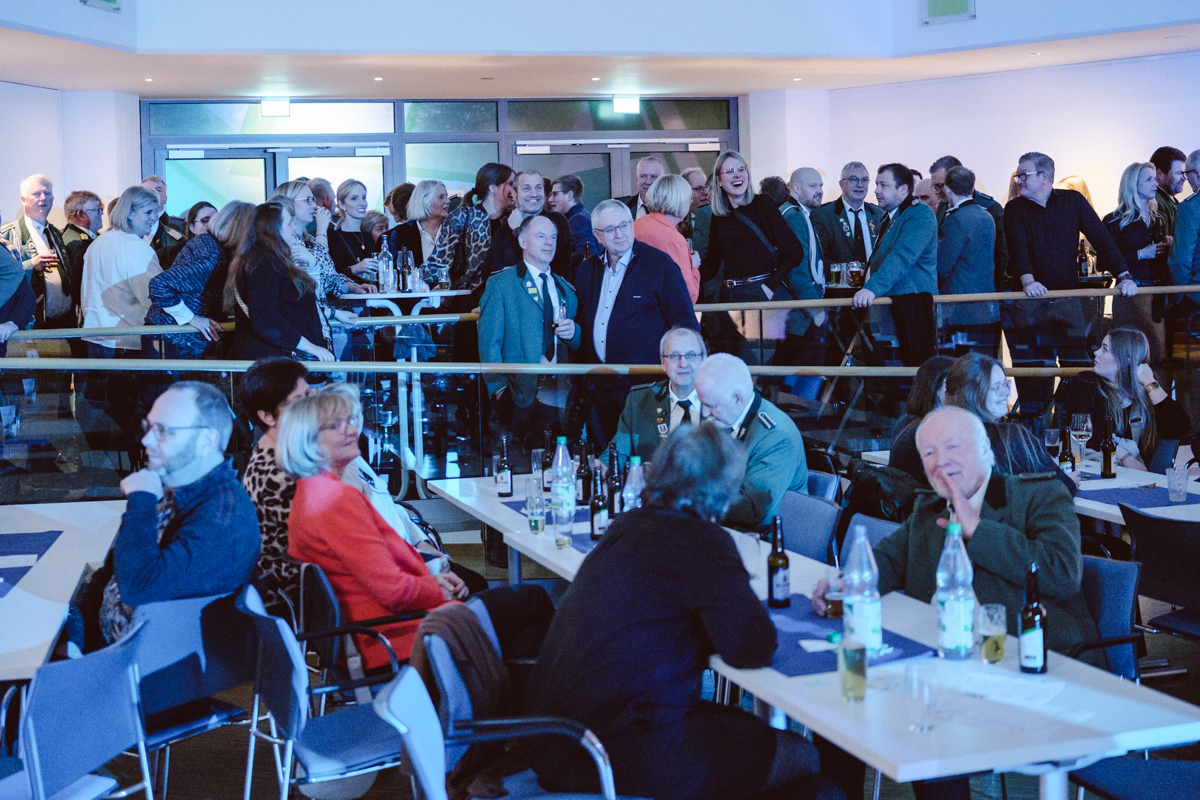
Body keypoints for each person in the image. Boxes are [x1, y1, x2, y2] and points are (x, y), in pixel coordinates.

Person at [525, 423, 829, 800]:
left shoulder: (627, 525)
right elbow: (750, 648)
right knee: (802, 756)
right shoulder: (703, 541)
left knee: (743, 728)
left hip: (557, 736)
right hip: (617, 748)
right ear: (723, 488)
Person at [813, 405, 1100, 800]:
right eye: (929, 453)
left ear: (985, 451)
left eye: (952, 447)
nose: (940, 461)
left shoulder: (1038, 495)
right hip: (941, 661)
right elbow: (889, 561)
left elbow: (1062, 572)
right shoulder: (928, 508)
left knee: (929, 727)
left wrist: (976, 528)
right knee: (840, 709)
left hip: (1023, 664)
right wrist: (846, 584)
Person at [280, 387, 554, 669]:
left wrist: (433, 580)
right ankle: (493, 689)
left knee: (522, 613)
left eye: (350, 420)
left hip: (389, 629)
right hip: (401, 637)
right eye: (336, 425)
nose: (351, 430)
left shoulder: (309, 492)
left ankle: (495, 689)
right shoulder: (336, 500)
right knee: (533, 601)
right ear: (309, 441)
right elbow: (394, 592)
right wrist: (437, 589)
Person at [97, 381, 261, 644]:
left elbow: (138, 587)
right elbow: (116, 568)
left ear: (206, 441)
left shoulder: (222, 522)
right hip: (112, 642)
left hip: (156, 659)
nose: (145, 440)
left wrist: (141, 499)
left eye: (164, 431)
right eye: (149, 426)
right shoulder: (174, 485)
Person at [1004, 151, 1135, 412]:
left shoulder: (1072, 201)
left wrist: (1124, 275)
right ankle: (1035, 429)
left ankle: (1078, 425)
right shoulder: (1015, 208)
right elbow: (1018, 248)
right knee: (1034, 373)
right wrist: (1028, 281)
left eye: (1024, 175)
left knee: (1078, 368)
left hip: (1066, 302)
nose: (1019, 181)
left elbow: (1102, 239)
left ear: (1045, 177)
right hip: (1030, 304)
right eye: (1019, 176)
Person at [574, 199, 699, 444]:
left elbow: (685, 326)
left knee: (645, 454)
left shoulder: (659, 265)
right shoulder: (586, 271)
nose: (619, 234)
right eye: (610, 229)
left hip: (646, 387)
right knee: (608, 457)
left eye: (624, 225)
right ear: (597, 236)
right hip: (600, 387)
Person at [477, 215, 580, 442]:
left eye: (553, 237)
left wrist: (574, 333)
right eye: (541, 236)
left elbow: (577, 339)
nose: (549, 243)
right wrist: (499, 390)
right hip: (518, 391)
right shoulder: (501, 284)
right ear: (523, 241)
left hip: (560, 391)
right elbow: (489, 343)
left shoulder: (565, 289)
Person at [694, 353, 807, 530]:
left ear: (737, 399)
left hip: (764, 536)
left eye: (711, 405)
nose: (705, 413)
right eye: (702, 403)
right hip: (724, 525)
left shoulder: (775, 437)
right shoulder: (726, 418)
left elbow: (753, 509)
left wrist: (691, 499)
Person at [1057, 328, 1189, 471]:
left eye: (1105, 349)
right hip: (1099, 472)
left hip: (1138, 477)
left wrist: (1149, 381)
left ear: (1125, 360)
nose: (1096, 352)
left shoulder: (1147, 394)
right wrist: (1125, 457)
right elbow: (1086, 435)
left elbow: (1178, 428)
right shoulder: (1086, 384)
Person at [226, 200, 334, 362]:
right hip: (273, 361)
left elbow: (289, 308)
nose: (294, 226)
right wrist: (309, 347)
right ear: (273, 229)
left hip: (279, 358)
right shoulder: (262, 263)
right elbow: (266, 318)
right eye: (289, 223)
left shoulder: (268, 259)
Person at [145, 200, 255, 359]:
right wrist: (192, 318)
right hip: (173, 337)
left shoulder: (219, 248)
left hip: (185, 338)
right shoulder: (210, 251)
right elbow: (159, 285)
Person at [700, 150, 803, 309]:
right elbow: (712, 265)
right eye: (729, 171)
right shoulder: (719, 214)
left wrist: (770, 285)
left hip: (760, 292)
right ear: (719, 180)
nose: (737, 175)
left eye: (741, 169)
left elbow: (794, 251)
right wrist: (685, 275)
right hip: (730, 295)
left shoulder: (762, 204)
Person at [81, 185, 162, 357]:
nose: (154, 218)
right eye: (148, 212)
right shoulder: (135, 246)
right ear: (129, 213)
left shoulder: (97, 242)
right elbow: (156, 296)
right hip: (127, 340)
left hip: (95, 337)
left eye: (156, 212)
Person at [1103, 162, 1170, 366]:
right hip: (1130, 295)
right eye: (1149, 179)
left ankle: (1154, 389)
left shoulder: (1158, 219)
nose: (1155, 183)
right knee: (1128, 356)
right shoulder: (1114, 220)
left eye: (1155, 179)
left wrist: (1170, 246)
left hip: (1157, 295)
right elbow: (1105, 262)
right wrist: (1140, 254)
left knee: (1156, 355)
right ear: (1132, 183)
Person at [614, 326, 705, 464]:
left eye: (691, 355)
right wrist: (600, 466)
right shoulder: (639, 400)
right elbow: (617, 454)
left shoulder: (722, 401)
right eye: (674, 356)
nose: (683, 364)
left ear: (703, 359)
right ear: (663, 363)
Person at [936, 166, 998, 354]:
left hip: (960, 307)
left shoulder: (955, 220)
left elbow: (942, 265)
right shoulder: (987, 216)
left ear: (947, 189)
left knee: (959, 363)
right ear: (972, 187)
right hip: (986, 305)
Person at [0, 174, 74, 330]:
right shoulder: (8, 234)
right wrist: (30, 265)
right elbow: (5, 278)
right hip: (30, 321)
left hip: (62, 320)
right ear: (23, 200)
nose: (43, 198)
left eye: (47, 193)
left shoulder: (55, 232)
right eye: (36, 194)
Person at [775, 167, 828, 383]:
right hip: (798, 313)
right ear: (796, 188)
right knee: (802, 371)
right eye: (813, 186)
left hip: (794, 311)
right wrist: (815, 309)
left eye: (820, 185)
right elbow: (797, 269)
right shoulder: (794, 217)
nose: (820, 191)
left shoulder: (795, 213)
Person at [929, 155, 1008, 290]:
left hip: (961, 291)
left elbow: (1001, 255)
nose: (937, 192)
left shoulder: (990, 208)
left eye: (940, 186)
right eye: (934, 187)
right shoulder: (944, 206)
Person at [487, 170, 574, 283]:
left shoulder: (557, 221)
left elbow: (538, 263)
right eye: (526, 188)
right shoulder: (504, 229)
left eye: (538, 188)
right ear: (514, 193)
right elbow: (491, 271)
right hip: (512, 293)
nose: (534, 194)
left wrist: (518, 230)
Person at [632, 174, 701, 302]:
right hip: (658, 311)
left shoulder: (636, 225)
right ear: (681, 202)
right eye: (689, 201)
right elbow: (687, 295)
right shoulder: (674, 240)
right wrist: (694, 267)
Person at [811, 161, 883, 267]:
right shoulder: (823, 215)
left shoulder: (879, 214)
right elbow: (820, 258)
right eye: (853, 179)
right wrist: (845, 270)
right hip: (839, 277)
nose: (860, 184)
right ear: (842, 184)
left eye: (864, 180)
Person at [383, 179, 450, 266]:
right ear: (425, 202)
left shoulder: (455, 231)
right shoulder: (397, 237)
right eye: (441, 197)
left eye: (446, 196)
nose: (448, 201)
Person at [326, 179, 378, 281]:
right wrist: (354, 269)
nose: (362, 203)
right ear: (341, 204)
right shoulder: (332, 237)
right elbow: (328, 275)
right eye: (354, 198)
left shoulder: (367, 237)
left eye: (364, 197)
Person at [549, 174, 599, 261]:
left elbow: (586, 255)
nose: (550, 199)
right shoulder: (584, 216)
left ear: (569, 195)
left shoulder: (578, 220)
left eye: (555, 194)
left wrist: (555, 262)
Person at [160, 201, 217, 270]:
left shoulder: (225, 251)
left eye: (215, 221)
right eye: (205, 221)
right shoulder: (179, 251)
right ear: (192, 227)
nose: (211, 225)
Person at [141, 175, 186, 257]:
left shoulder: (180, 225)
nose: (153, 194)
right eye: (147, 190)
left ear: (165, 198)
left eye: (158, 190)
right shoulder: (130, 226)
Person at [1150, 145, 1187, 239]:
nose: (1184, 178)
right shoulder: (1155, 201)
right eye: (1179, 173)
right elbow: (1165, 242)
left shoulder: (1172, 201)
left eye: (1184, 173)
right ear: (1159, 174)